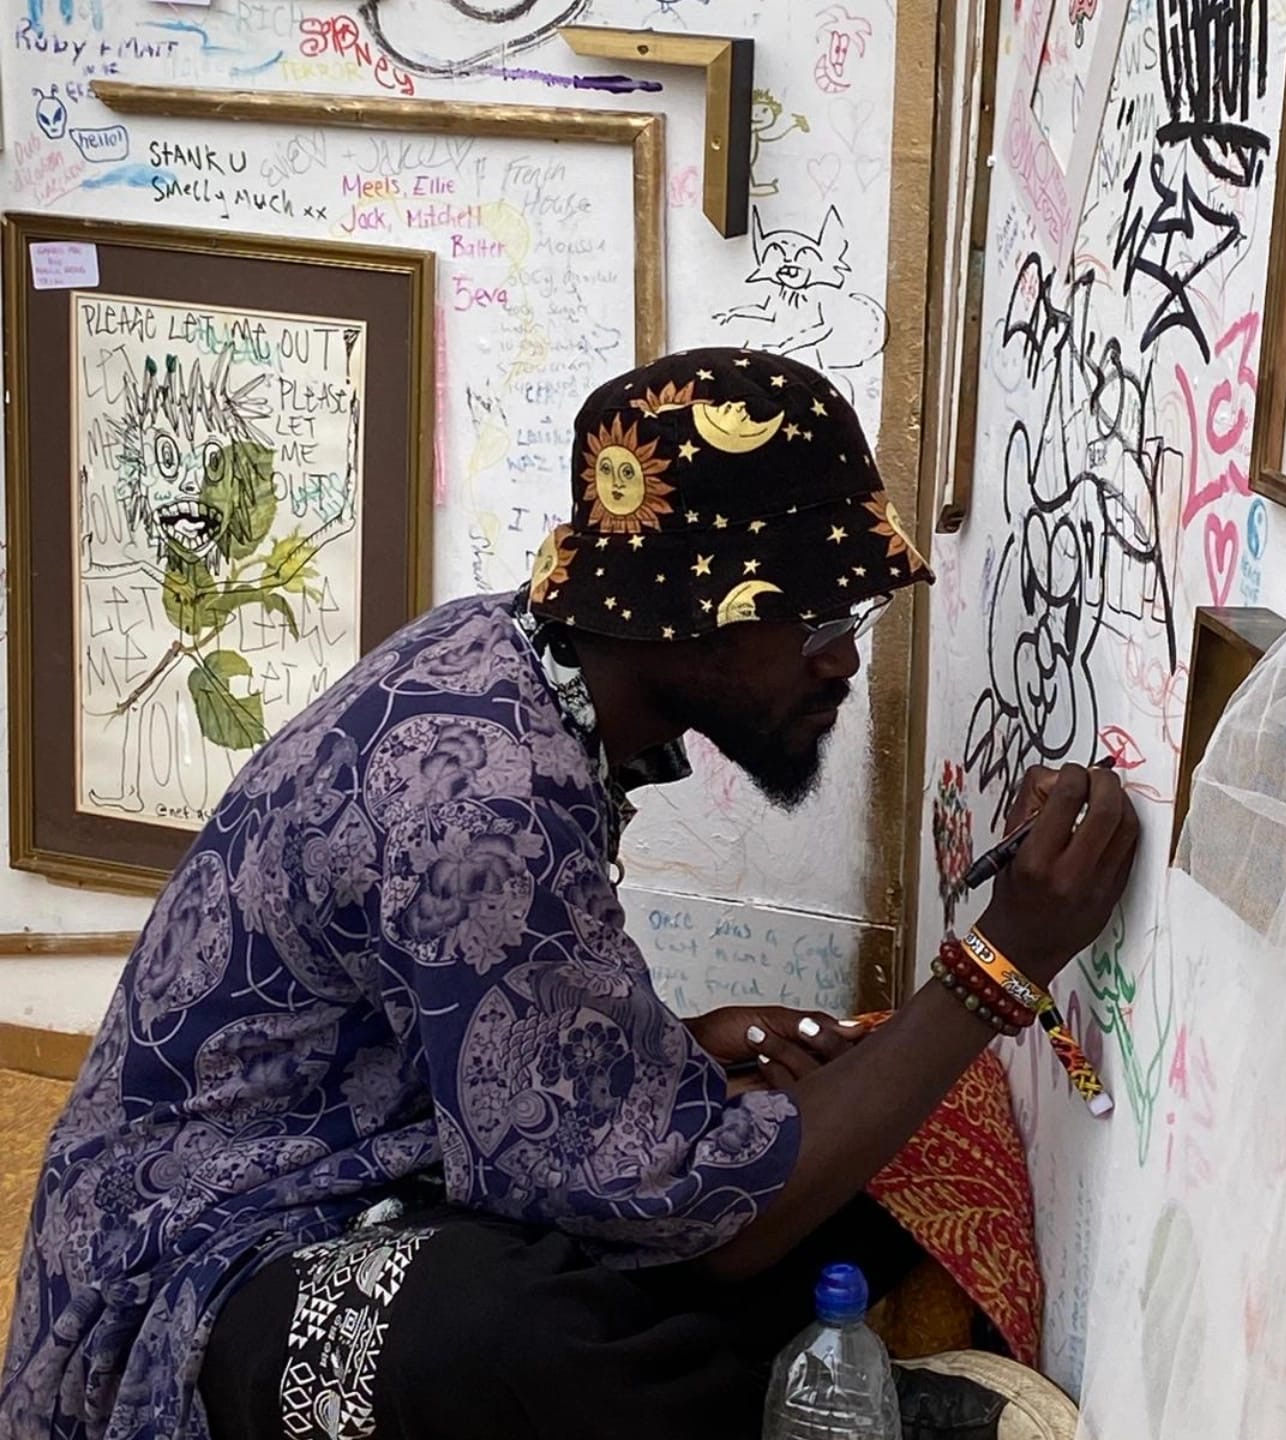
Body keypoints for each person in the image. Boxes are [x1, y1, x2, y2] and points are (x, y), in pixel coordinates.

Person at [0, 348, 1137, 1440]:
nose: (841, 660)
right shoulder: (481, 800)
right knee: (517, 1346)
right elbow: (707, 1227)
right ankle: (790, 1406)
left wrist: (652, 1051)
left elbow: (474, 1015)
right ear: (684, 614)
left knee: (857, 1159)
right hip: (202, 1262)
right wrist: (1000, 963)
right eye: (817, 621)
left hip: (377, 1155)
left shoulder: (510, 653)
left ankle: (754, 1382)